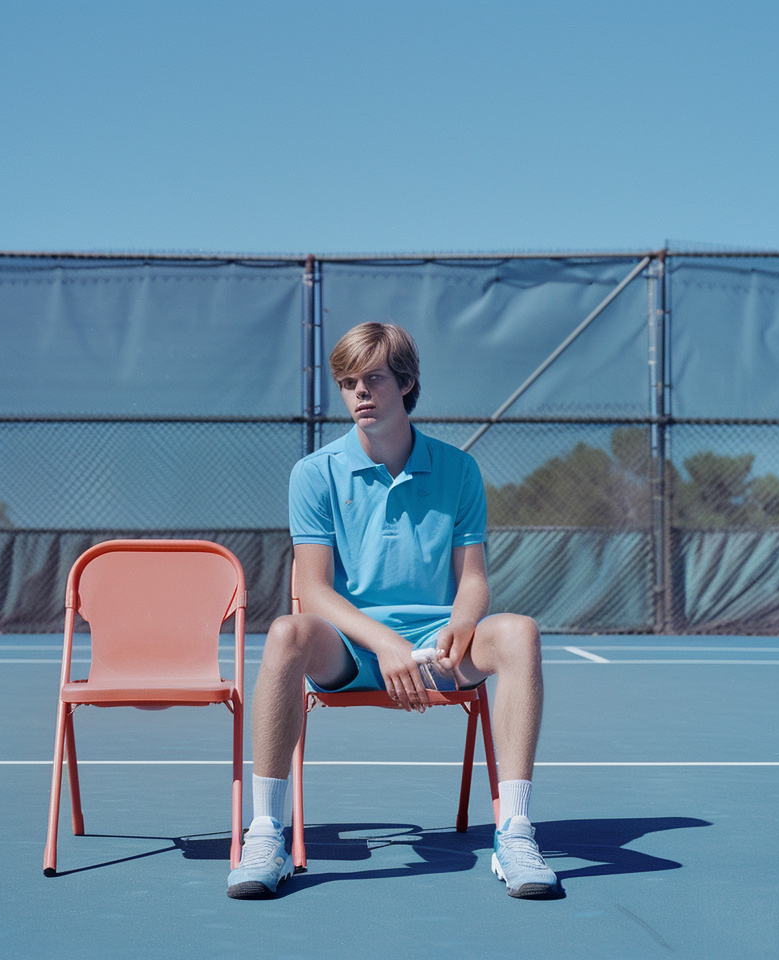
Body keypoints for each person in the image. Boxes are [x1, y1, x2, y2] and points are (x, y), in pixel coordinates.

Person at [226, 322, 559, 900]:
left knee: (519, 632)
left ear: (406, 383)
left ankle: (516, 833)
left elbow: (473, 580)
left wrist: (461, 620)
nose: (359, 392)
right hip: (352, 646)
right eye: (348, 382)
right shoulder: (313, 474)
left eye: (373, 379)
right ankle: (264, 835)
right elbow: (315, 589)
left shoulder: (459, 470)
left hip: (437, 647)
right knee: (285, 632)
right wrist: (384, 643)